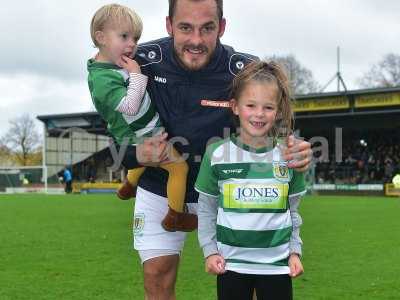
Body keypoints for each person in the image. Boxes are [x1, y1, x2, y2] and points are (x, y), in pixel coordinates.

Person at [117, 0, 312, 298]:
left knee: (247, 277)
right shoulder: (141, 61)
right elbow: (112, 132)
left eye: (207, 28)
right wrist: (137, 154)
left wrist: (294, 147)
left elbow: (274, 118)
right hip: (160, 187)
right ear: (169, 25)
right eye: (185, 28)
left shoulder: (243, 69)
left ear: (221, 26)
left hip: (226, 189)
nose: (196, 40)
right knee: (157, 275)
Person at [196, 61, 305, 300]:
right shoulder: (216, 154)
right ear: (235, 107)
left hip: (277, 266)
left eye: (268, 107)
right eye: (251, 105)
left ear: (277, 111)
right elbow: (206, 210)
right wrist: (209, 251)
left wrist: (294, 252)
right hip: (230, 265)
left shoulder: (289, 157)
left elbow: (293, 213)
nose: (259, 114)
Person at [87, 4, 197, 232]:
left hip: (141, 130)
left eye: (135, 38)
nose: (131, 45)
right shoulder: (102, 79)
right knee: (178, 168)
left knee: (145, 162)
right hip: (141, 134)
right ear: (101, 37)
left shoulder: (110, 66)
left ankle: (129, 185)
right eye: (124, 37)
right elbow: (129, 106)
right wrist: (136, 74)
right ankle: (175, 216)